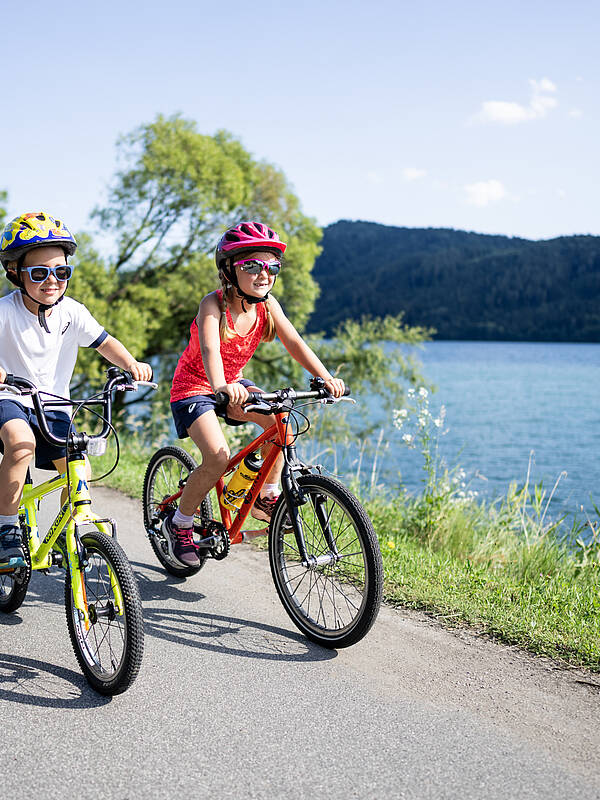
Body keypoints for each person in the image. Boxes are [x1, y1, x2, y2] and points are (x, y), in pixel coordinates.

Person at [167, 220, 345, 567]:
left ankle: (266, 493)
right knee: (218, 456)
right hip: (195, 388)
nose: (264, 274)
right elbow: (209, 350)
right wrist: (220, 386)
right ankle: (181, 524)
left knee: (283, 427)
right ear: (230, 270)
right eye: (252, 265)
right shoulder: (213, 305)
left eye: (272, 266)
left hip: (233, 384)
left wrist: (325, 377)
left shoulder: (267, 305)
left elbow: (294, 341)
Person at [0, 211, 152, 569]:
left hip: (53, 405)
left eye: (61, 271)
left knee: (76, 467)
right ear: (15, 273)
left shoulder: (72, 312)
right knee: (22, 445)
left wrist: (130, 364)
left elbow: (104, 342)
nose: (51, 281)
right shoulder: (4, 312)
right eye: (39, 273)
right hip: (10, 398)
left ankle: (74, 530)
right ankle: (6, 530)